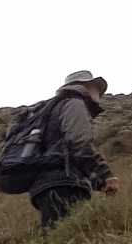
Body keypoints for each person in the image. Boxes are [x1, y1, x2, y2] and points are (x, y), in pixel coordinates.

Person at [26, 71, 121, 230]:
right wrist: (105, 174)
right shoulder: (74, 103)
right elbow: (79, 144)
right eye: (97, 87)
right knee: (70, 236)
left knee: (57, 236)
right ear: (85, 87)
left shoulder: (53, 110)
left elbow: (65, 152)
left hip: (45, 186)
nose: (100, 93)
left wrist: (98, 183)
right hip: (65, 185)